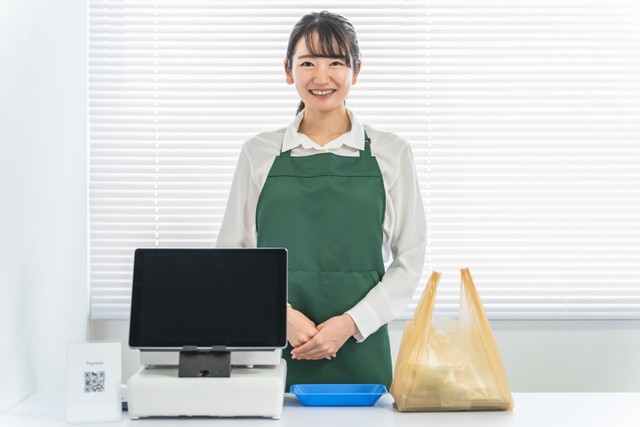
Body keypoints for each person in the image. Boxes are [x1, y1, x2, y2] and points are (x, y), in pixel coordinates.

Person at [217, 11, 426, 390]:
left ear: (356, 71)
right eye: (308, 62)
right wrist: (281, 318)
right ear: (287, 70)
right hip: (273, 347)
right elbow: (232, 256)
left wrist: (349, 325)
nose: (321, 76)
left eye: (336, 63)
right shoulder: (259, 152)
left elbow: (410, 260)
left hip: (360, 348)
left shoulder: (391, 152)